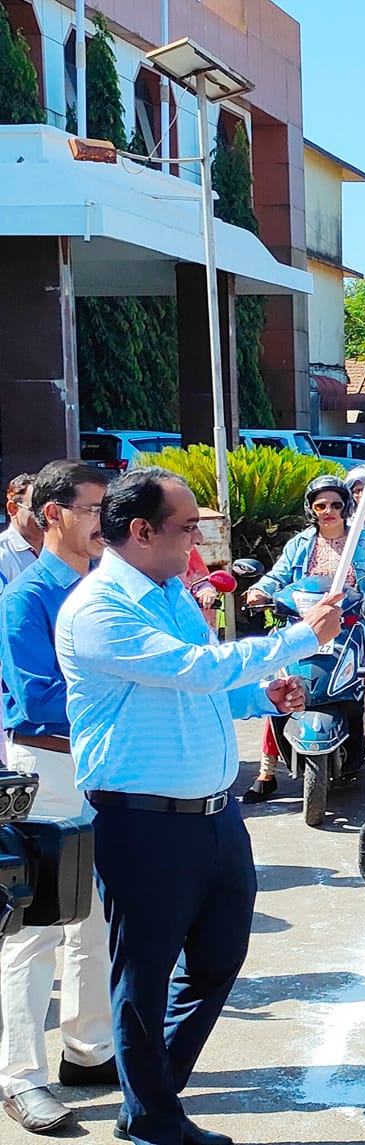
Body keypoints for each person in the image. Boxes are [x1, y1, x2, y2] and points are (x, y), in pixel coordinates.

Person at [56, 467, 340, 1145]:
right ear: (141, 530)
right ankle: (152, 1117)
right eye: (187, 527)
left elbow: (208, 680)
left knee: (218, 957)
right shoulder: (99, 609)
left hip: (214, 815)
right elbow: (194, 668)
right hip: (142, 820)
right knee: (144, 974)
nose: (197, 541)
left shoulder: (170, 595)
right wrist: (301, 636)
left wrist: (261, 697)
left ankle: (149, 1088)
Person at [0, 461, 115, 1134]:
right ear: (53, 515)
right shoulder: (26, 598)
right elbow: (41, 699)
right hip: (44, 773)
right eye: (95, 507)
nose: (106, 519)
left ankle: (89, 1048)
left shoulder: (102, 589)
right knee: (32, 932)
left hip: (98, 770)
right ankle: (19, 1077)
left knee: (94, 920)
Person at [241, 476, 365, 803]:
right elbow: (277, 575)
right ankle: (266, 771)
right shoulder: (299, 544)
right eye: (321, 505)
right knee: (278, 689)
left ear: (346, 507)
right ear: (312, 509)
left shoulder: (364, 542)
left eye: (336, 505)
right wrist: (259, 591)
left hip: (355, 629)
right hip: (301, 630)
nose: (329, 511)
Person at [0, 474, 42, 589]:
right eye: (36, 509)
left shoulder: (58, 548)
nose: (46, 516)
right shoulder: (3, 555)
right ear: (13, 509)